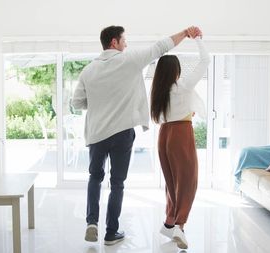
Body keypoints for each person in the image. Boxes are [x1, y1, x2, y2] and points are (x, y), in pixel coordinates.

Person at [72, 25, 197, 246]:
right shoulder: (129, 61)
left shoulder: (88, 70)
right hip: (122, 133)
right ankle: (111, 233)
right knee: (117, 183)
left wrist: (100, 100)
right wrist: (185, 33)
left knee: (95, 177)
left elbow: (77, 103)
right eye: (124, 40)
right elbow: (162, 46)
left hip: (97, 134)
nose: (126, 44)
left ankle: (91, 222)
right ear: (114, 42)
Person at [150, 26, 210, 249]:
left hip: (164, 135)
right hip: (181, 134)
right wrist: (198, 40)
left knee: (172, 182)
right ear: (175, 71)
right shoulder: (181, 86)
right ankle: (180, 227)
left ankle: (169, 222)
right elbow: (205, 61)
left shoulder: (158, 91)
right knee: (187, 182)